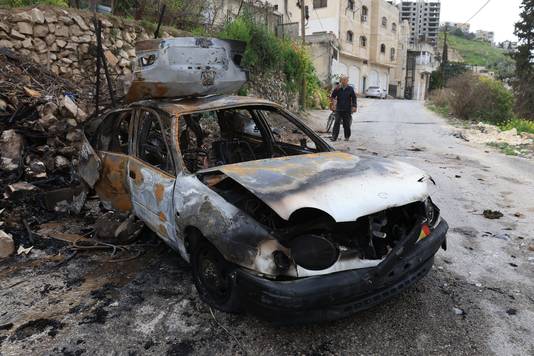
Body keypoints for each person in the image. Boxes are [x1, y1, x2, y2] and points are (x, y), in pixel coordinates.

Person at [330, 76, 357, 141]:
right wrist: (333, 104)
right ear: (341, 81)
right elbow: (333, 96)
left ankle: (347, 136)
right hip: (339, 108)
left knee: (346, 123)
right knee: (336, 122)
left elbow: (354, 98)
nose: (343, 81)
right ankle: (334, 137)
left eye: (345, 80)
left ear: (347, 81)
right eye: (342, 80)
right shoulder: (338, 88)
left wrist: (354, 106)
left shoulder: (350, 89)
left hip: (347, 109)